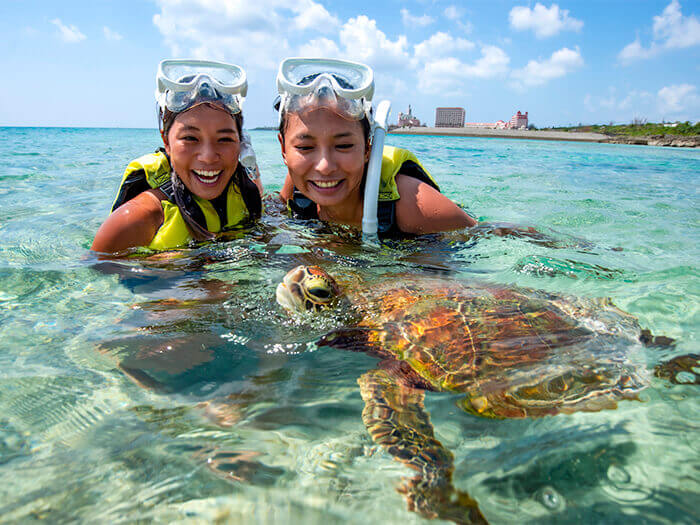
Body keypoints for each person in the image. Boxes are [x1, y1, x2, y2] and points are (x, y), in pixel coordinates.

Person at [275, 58, 476, 236]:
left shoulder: (414, 205)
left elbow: (483, 237)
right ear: (284, 150)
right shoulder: (297, 184)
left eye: (344, 145)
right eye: (305, 148)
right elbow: (275, 210)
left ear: (367, 148)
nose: (324, 166)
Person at [92, 59, 263, 253]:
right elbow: (98, 275)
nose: (208, 157)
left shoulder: (246, 191)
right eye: (190, 138)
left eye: (224, 139)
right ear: (167, 142)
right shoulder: (135, 219)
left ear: (240, 143)